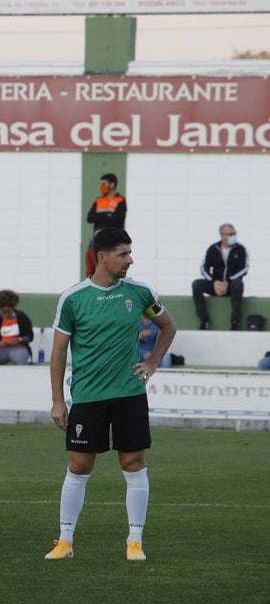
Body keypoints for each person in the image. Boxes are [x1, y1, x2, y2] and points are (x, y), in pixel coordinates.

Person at [45, 227, 176, 563]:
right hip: (88, 397)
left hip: (129, 394)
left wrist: (153, 361)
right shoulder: (73, 298)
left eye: (129, 253)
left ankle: (135, 541)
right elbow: (58, 352)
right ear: (102, 257)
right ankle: (65, 541)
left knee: (133, 464)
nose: (129, 260)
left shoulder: (141, 292)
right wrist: (58, 400)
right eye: (123, 254)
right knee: (78, 466)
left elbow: (168, 326)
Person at [191, 223, 248, 331]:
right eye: (230, 234)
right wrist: (214, 282)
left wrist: (227, 282)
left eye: (234, 233)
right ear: (222, 235)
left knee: (238, 284)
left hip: (231, 286)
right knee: (197, 284)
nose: (233, 236)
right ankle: (204, 320)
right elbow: (204, 268)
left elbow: (244, 269)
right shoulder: (213, 249)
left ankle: (235, 321)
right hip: (215, 285)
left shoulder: (240, 249)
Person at [85, 173, 126, 277]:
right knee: (91, 262)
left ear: (112, 185)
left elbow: (117, 220)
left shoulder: (120, 200)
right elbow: (90, 218)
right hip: (98, 237)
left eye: (104, 184)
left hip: (114, 240)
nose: (101, 186)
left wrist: (100, 216)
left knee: (112, 267)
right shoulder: (99, 200)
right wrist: (106, 215)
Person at [0, 290, 34, 365]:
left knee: (21, 357)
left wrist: (20, 340)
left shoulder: (22, 317)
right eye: (4, 312)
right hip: (2, 349)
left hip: (19, 348)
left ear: (13, 308)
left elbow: (30, 336)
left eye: (8, 311)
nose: (6, 315)